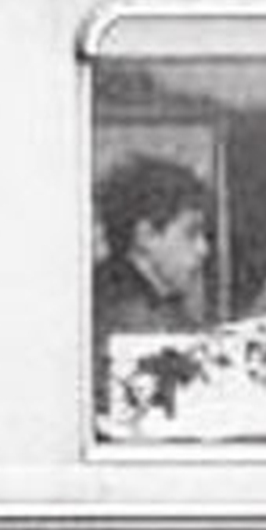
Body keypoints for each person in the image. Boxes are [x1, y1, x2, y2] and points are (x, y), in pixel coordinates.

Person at [91, 153, 213, 409]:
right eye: (191, 233)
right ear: (146, 237)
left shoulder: (109, 298)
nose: (204, 249)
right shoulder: (135, 322)